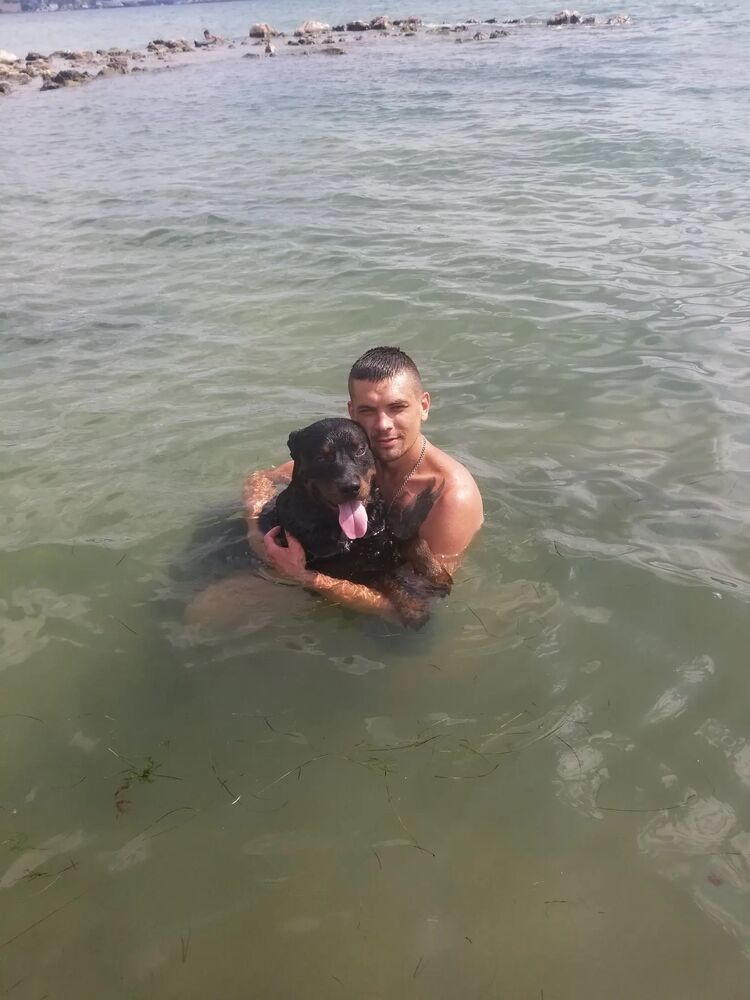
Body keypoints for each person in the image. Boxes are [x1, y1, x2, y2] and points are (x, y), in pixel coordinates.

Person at [244, 346, 483, 620]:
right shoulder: (357, 455)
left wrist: (304, 577)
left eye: (397, 407)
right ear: (352, 413)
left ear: (424, 406)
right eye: (368, 410)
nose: (382, 425)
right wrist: (257, 535)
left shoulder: (451, 496)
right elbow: (259, 479)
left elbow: (421, 603)